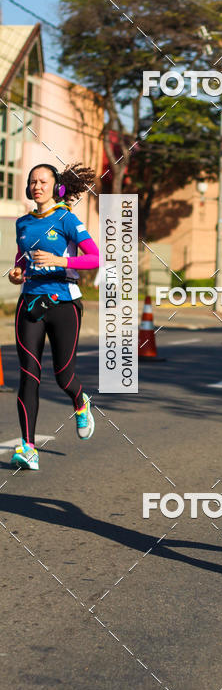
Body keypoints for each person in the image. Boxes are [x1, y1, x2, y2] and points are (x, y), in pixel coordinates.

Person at [8, 163, 100, 470]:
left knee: (63, 376)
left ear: (56, 187)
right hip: (31, 302)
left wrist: (61, 259)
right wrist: (17, 272)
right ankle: (28, 447)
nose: (37, 186)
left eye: (43, 181)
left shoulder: (67, 219)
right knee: (29, 375)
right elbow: (22, 258)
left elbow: (95, 257)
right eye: (32, 181)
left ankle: (79, 401)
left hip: (64, 304)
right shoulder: (22, 223)